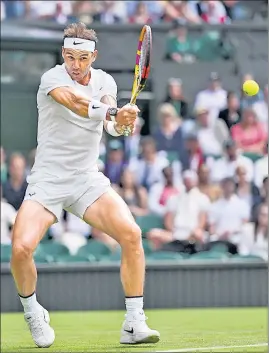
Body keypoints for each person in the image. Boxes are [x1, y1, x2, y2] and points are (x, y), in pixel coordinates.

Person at [10, 22, 160, 348]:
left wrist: (121, 123)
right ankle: (33, 311)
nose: (75, 65)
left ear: (94, 57)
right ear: (62, 55)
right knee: (21, 249)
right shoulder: (52, 79)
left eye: (82, 58)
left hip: (86, 179)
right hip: (48, 179)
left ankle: (134, 322)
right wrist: (114, 112)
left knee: (132, 235)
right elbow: (77, 104)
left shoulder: (105, 81)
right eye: (69, 56)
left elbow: (110, 124)